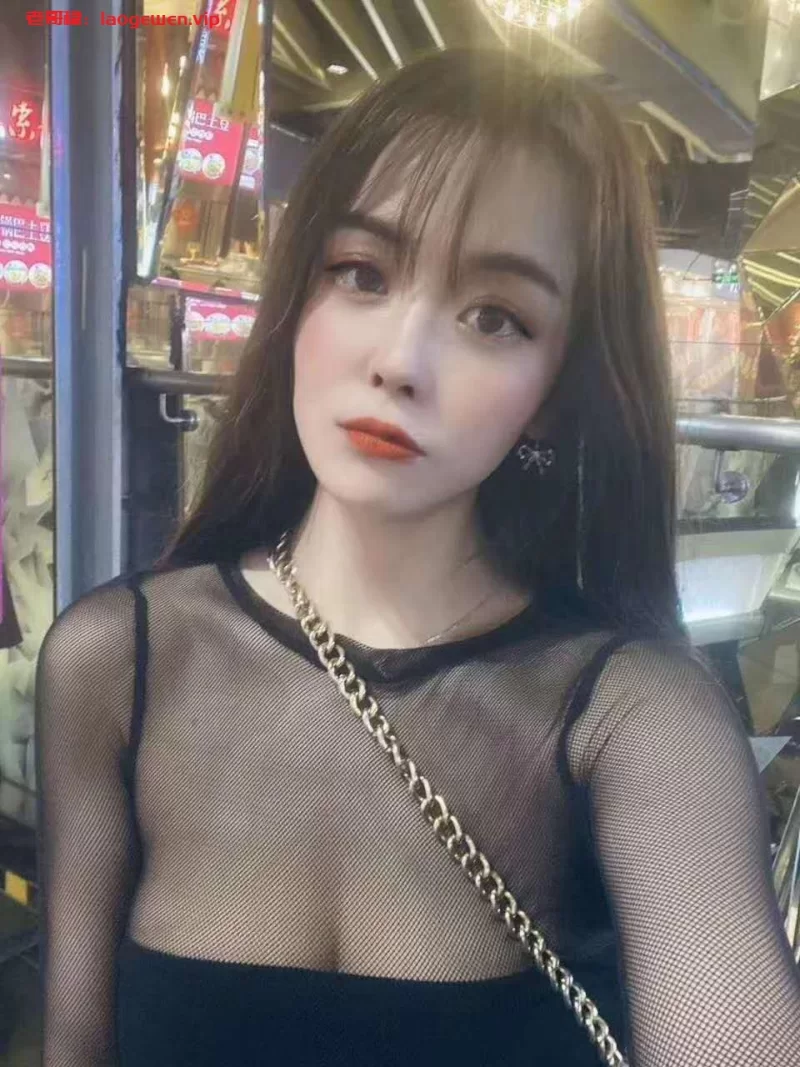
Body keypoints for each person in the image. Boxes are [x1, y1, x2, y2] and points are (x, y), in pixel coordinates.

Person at [36, 48, 800, 1067]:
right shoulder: (119, 664)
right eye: (361, 273)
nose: (401, 361)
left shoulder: (630, 718)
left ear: (556, 390)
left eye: (495, 318)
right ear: (296, 293)